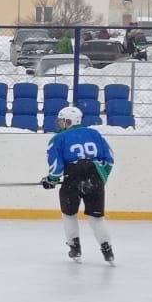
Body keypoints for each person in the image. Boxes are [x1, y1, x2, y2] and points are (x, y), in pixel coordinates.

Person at [41, 105, 116, 264]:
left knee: (69, 214)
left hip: (72, 178)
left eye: (62, 121)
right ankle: (108, 251)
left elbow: (56, 166)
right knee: (96, 217)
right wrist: (101, 177)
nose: (60, 124)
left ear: (69, 121)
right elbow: (109, 158)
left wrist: (51, 180)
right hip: (95, 176)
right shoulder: (95, 134)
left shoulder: (58, 139)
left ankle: (75, 249)